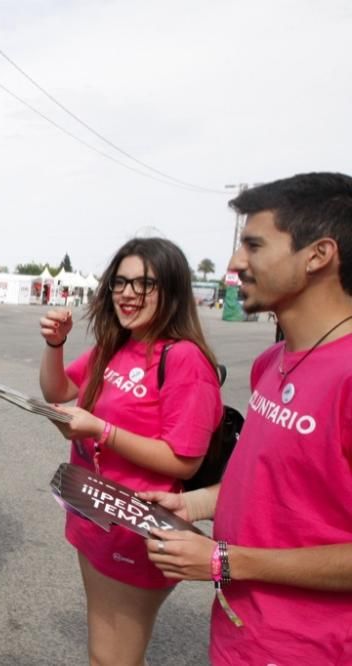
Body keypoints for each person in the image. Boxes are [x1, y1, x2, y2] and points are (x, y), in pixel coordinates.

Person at [143, 173, 352, 665]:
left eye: (254, 245)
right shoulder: (272, 361)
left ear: (318, 255)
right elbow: (278, 487)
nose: (235, 263)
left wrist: (224, 561)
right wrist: (191, 505)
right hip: (242, 635)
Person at [38, 237, 223, 666]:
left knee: (114, 658)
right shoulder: (116, 343)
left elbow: (185, 458)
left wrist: (103, 430)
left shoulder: (184, 360)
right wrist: (54, 344)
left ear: (172, 290)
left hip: (137, 528)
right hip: (92, 511)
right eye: (120, 281)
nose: (127, 293)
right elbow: (59, 390)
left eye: (144, 284)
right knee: (103, 651)